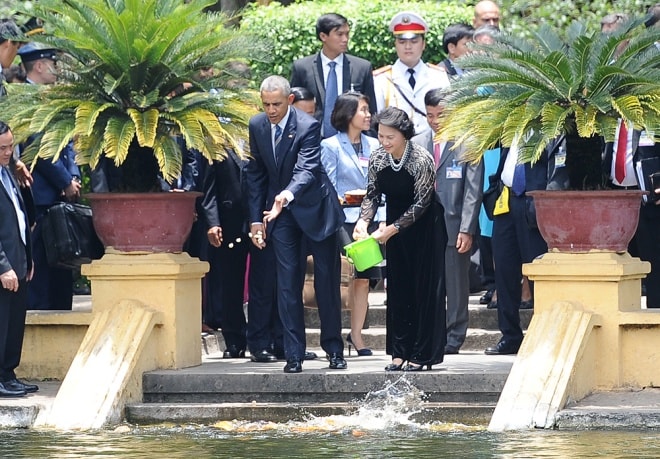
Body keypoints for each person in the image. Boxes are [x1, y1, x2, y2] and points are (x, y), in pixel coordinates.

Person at [245, 75, 346, 373]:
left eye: (276, 104)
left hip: (315, 210)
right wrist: (255, 219)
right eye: (266, 104)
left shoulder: (308, 126)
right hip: (282, 216)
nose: (271, 110)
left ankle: (334, 350)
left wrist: (285, 196)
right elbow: (255, 173)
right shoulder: (257, 125)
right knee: (287, 285)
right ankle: (293, 354)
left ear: (289, 100)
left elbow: (307, 168)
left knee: (326, 284)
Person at [354, 106, 446, 371]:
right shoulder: (378, 158)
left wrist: (392, 229)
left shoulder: (421, 158)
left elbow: (423, 202)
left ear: (404, 135)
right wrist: (363, 221)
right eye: (381, 136)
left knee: (424, 289)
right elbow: (372, 195)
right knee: (398, 288)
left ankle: (422, 353)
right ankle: (399, 351)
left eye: (390, 137)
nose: (384, 142)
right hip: (394, 225)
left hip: (425, 226)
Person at [412, 89, 483, 354]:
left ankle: (454, 337)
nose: (435, 121)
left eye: (440, 115)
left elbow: (473, 190)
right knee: (427, 284)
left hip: (454, 225)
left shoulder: (469, 142)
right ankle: (430, 333)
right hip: (423, 227)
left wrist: (467, 228)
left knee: (456, 285)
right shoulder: (417, 143)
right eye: (430, 115)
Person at [484, 138, 567, 355]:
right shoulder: (511, 123)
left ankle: (545, 335)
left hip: (534, 203)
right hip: (506, 200)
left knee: (538, 270)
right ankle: (510, 336)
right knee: (504, 269)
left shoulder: (547, 127)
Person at [17, 43, 81, 311]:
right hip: (41, 198)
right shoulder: (26, 99)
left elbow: (68, 142)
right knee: (41, 272)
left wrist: (74, 176)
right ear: (40, 65)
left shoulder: (53, 97)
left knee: (63, 270)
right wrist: (64, 181)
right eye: (52, 62)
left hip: (60, 199)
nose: (56, 67)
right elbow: (40, 147)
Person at [320, 92, 384, 357]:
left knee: (366, 279)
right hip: (343, 221)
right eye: (363, 110)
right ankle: (336, 332)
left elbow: (382, 185)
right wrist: (347, 199)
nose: (368, 115)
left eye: (368, 110)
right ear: (348, 114)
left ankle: (356, 334)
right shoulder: (330, 145)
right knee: (348, 275)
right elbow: (327, 185)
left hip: (371, 219)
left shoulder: (375, 145)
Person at [291, 13, 376, 138]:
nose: (345, 39)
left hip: (352, 142)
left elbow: (371, 110)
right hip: (313, 141)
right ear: (323, 36)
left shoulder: (361, 68)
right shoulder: (302, 67)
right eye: (340, 34)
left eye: (347, 34)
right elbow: (294, 108)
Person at [0, 120, 38, 397]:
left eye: (11, 146)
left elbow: (23, 218)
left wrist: (28, 258)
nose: (8, 152)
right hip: (4, 265)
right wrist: (3, 266)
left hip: (19, 259)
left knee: (14, 323)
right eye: (2, 148)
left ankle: (8, 373)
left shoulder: (9, 172)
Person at [201, 147, 249, 358]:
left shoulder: (261, 134)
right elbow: (208, 186)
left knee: (265, 283)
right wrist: (213, 222)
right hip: (229, 222)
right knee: (231, 285)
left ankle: (264, 339)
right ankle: (234, 340)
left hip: (261, 219)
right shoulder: (217, 141)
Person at [373, 12, 450, 136]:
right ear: (395, 45)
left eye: (414, 41)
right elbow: (377, 120)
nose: (408, 47)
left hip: (432, 144)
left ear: (423, 44)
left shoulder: (438, 76)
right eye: (402, 42)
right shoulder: (381, 79)